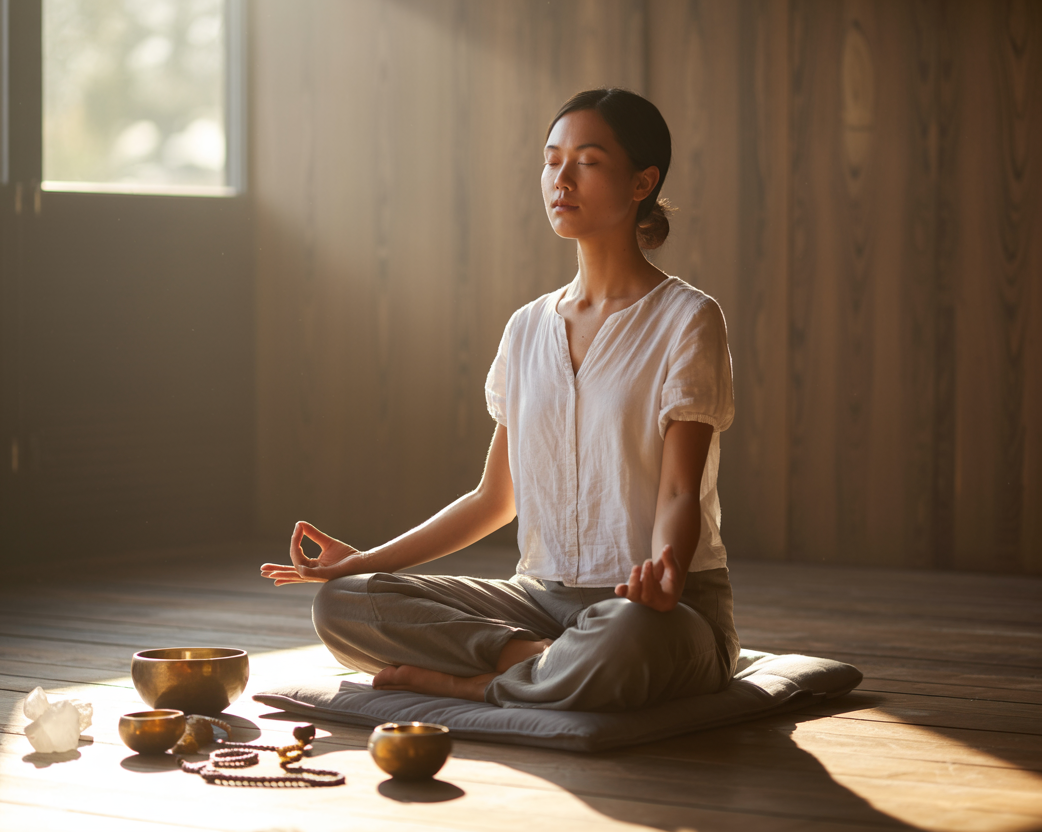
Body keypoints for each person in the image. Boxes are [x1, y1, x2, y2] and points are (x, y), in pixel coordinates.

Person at [260, 88, 739, 712]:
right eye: (550, 160)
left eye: (587, 162)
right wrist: (365, 560)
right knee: (345, 603)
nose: (561, 179)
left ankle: (477, 685)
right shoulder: (527, 328)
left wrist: (666, 570)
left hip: (651, 608)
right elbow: (494, 498)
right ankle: (533, 664)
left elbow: (679, 492)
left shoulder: (688, 319)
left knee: (627, 637)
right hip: (536, 602)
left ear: (642, 181)